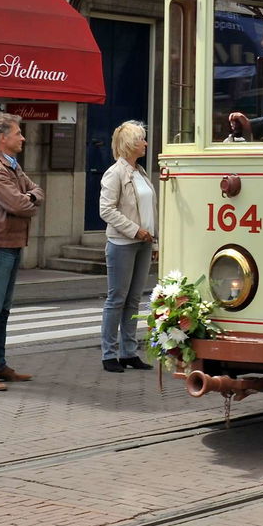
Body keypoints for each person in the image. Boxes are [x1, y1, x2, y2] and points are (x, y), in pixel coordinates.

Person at [0, 112, 45, 392]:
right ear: (3, 138)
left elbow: (35, 190)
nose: (23, 138)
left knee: (2, 310)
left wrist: (30, 197)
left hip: (11, 242)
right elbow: (19, 205)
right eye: (18, 133)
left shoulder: (11, 164)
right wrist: (29, 199)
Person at [97, 120, 157, 372]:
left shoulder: (140, 172)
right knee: (117, 298)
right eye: (141, 139)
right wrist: (135, 230)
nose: (146, 143)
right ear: (130, 144)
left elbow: (149, 210)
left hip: (144, 242)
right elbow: (106, 210)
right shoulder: (115, 173)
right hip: (123, 242)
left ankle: (128, 352)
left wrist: (153, 241)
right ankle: (109, 354)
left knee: (133, 299)